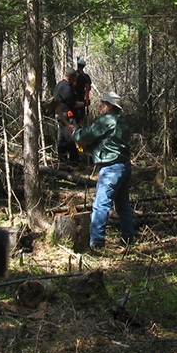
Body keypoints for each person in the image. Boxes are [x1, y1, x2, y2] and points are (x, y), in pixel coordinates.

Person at [66, 91, 134, 250]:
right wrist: (85, 144)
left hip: (111, 169)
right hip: (124, 167)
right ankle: (128, 238)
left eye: (103, 103)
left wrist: (75, 132)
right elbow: (107, 144)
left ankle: (96, 242)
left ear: (109, 106)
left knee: (101, 204)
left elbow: (87, 135)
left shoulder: (107, 120)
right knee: (123, 205)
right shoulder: (121, 122)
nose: (101, 106)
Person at [52, 70, 83, 164]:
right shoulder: (65, 87)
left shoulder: (59, 85)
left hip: (60, 115)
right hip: (66, 115)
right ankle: (73, 160)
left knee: (62, 137)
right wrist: (84, 103)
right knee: (71, 137)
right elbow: (72, 104)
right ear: (71, 77)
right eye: (75, 78)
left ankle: (63, 159)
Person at [74, 57, 92, 121]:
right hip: (80, 99)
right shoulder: (85, 77)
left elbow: (87, 89)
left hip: (73, 98)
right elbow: (88, 89)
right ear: (84, 66)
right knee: (79, 117)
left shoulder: (73, 74)